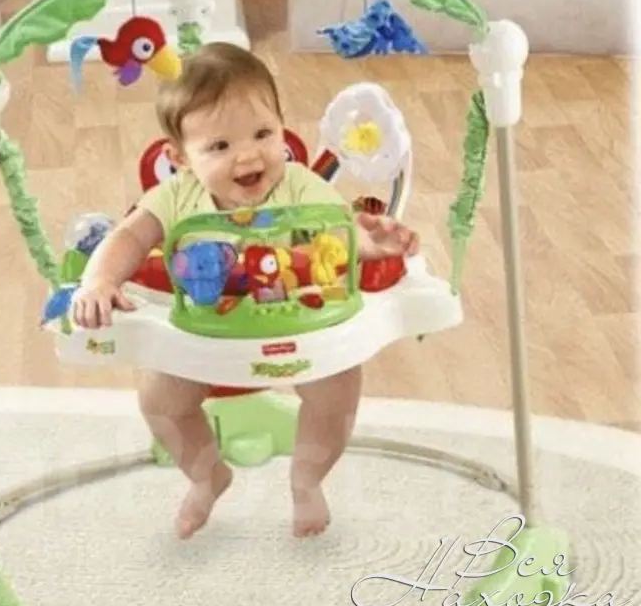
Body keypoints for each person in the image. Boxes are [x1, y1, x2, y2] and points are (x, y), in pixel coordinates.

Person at [72, 42, 419, 539]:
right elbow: (127, 236)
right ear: (180, 158)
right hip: (204, 333)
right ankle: (206, 476)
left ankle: (307, 480)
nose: (249, 155)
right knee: (160, 402)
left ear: (282, 128)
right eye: (219, 146)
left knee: (339, 389)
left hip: (297, 323)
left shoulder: (299, 185)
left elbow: (338, 234)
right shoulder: (177, 195)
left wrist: (372, 244)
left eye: (262, 133)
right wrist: (100, 280)